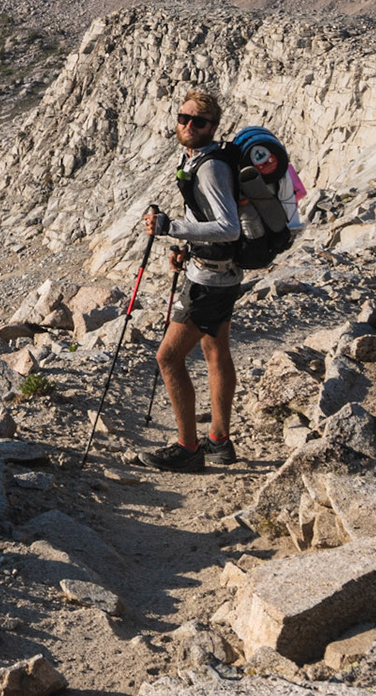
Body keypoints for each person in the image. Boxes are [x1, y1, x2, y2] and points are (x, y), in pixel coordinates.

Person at [136, 90, 244, 471]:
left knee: (167, 357)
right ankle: (219, 440)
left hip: (210, 284)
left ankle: (188, 448)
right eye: (184, 118)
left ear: (213, 127)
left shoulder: (211, 166)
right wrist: (189, 245)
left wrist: (173, 228)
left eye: (199, 122)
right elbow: (209, 221)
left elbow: (229, 227)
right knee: (215, 353)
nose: (188, 125)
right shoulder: (196, 159)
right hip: (217, 273)